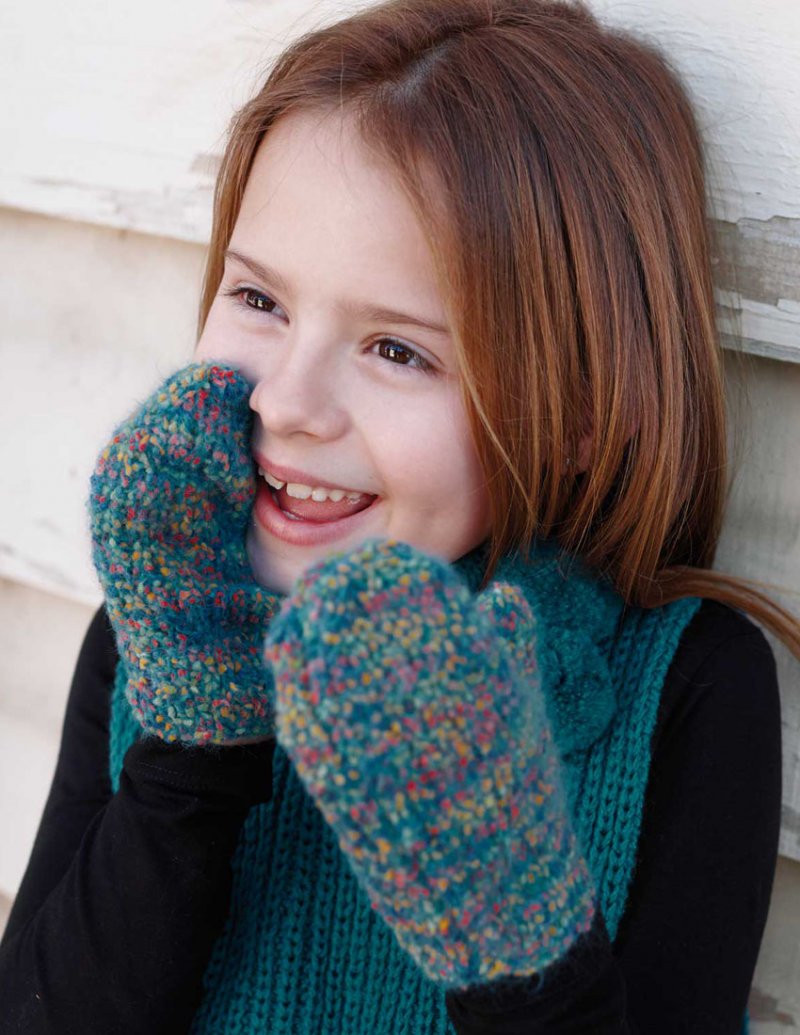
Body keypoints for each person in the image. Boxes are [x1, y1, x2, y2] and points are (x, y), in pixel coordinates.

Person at [1, 0, 797, 1031]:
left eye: (397, 350)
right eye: (260, 300)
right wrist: (193, 746)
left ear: (581, 416)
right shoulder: (159, 627)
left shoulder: (684, 687)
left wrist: (506, 919)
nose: (286, 399)